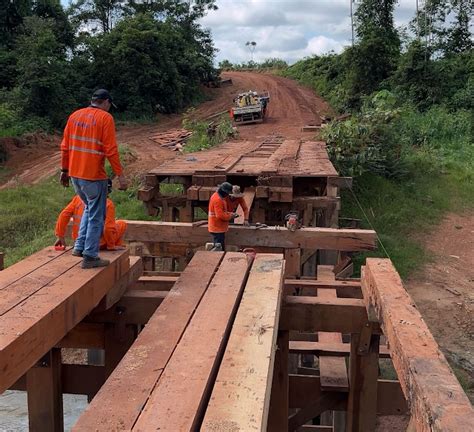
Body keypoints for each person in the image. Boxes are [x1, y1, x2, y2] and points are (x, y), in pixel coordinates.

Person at [60, 89, 128, 269]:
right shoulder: (105, 119)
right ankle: (90, 256)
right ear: (105, 102)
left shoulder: (74, 116)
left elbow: (65, 146)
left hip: (75, 176)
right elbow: (111, 150)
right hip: (93, 176)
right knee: (97, 216)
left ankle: (80, 246)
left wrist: (64, 170)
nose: (109, 109)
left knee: (89, 210)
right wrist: (120, 176)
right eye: (109, 106)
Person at [55, 180, 127, 251]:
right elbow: (108, 228)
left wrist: (60, 236)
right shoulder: (108, 204)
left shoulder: (78, 199)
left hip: (79, 242)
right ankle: (113, 246)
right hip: (98, 244)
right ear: (107, 191)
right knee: (121, 224)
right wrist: (111, 246)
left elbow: (63, 215)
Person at [208, 182, 238, 250]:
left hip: (217, 227)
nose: (228, 195)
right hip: (217, 228)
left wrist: (229, 214)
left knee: (220, 247)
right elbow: (220, 215)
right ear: (224, 191)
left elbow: (222, 212)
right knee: (219, 249)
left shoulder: (218, 196)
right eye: (227, 193)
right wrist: (231, 216)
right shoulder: (218, 199)